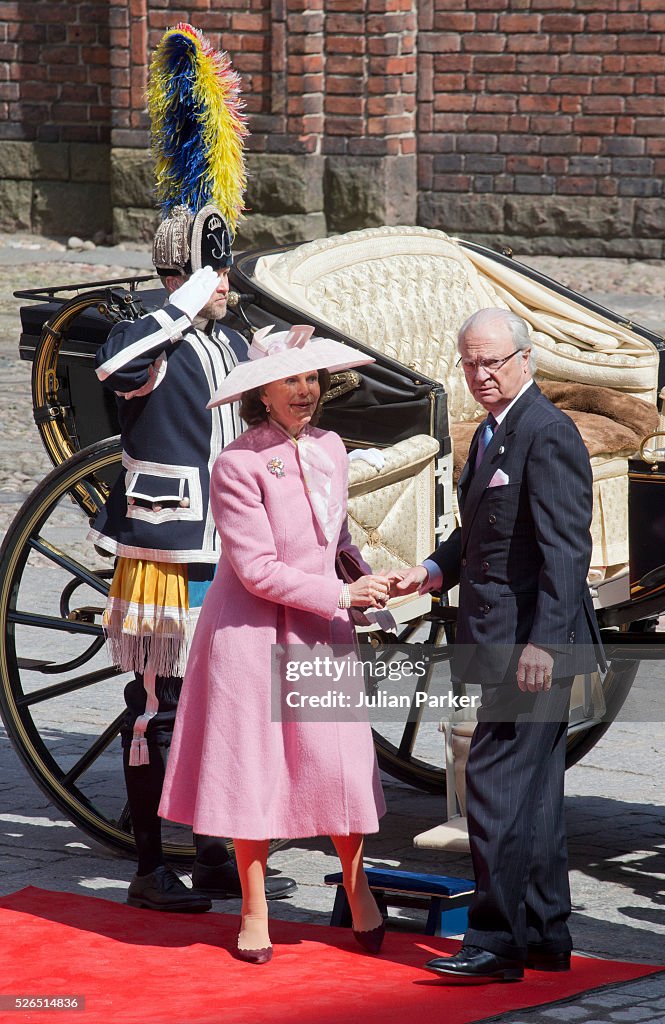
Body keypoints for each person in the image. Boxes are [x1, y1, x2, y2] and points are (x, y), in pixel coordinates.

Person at [159, 324, 389, 963]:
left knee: (338, 765)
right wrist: (341, 596)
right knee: (254, 772)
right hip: (251, 633)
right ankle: (254, 904)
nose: (305, 390)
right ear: (262, 392)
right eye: (291, 379)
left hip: (322, 627)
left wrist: (363, 577)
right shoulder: (237, 465)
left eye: (311, 378)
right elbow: (256, 569)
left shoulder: (333, 448)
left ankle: (356, 880)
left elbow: (334, 539)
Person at [89, 206, 296, 912]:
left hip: (227, 548)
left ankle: (211, 852)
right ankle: (149, 868)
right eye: (216, 270)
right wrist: (176, 304)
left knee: (220, 706)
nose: (228, 282)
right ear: (183, 275)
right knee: (158, 708)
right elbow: (114, 366)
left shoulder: (224, 339)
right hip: (166, 555)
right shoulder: (147, 334)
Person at [390, 307, 604, 982]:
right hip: (500, 636)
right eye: (469, 363)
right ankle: (543, 936)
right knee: (533, 794)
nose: (479, 375)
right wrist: (429, 571)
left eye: (491, 361)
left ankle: (494, 942)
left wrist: (544, 643)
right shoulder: (493, 432)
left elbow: (566, 552)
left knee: (492, 784)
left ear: (524, 358)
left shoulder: (546, 433)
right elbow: (479, 533)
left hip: (530, 645)